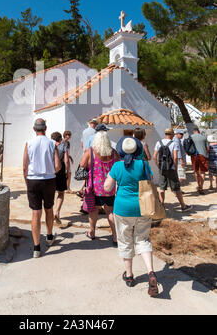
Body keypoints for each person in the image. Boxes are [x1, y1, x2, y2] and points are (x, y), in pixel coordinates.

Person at [104, 136, 159, 297]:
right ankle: (151, 272)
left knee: (125, 240)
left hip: (122, 209)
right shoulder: (143, 165)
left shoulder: (117, 166)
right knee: (143, 239)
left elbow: (107, 188)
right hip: (142, 207)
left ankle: (129, 275)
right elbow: (150, 182)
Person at [23, 119, 61, 258]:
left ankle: (36, 248)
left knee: (35, 213)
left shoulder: (29, 143)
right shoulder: (52, 143)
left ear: (34, 129)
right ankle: (50, 237)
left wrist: (27, 182)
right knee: (49, 209)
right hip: (48, 180)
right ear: (46, 128)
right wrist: (51, 170)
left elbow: (25, 166)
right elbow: (57, 165)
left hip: (33, 180)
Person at [79, 127, 118, 245]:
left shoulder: (91, 151)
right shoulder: (113, 152)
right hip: (109, 187)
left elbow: (82, 164)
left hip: (95, 187)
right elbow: (118, 164)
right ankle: (115, 235)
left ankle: (92, 232)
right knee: (110, 212)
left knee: (93, 210)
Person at [153, 128, 192, 212]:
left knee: (162, 188)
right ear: (171, 134)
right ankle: (183, 206)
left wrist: (158, 166)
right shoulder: (174, 143)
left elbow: (154, 156)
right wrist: (175, 168)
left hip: (162, 168)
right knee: (176, 187)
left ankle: (162, 206)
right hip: (171, 168)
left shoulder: (158, 142)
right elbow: (175, 157)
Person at [51, 131, 69, 225]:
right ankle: (57, 211)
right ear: (60, 138)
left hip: (50, 170)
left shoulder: (49, 145)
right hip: (61, 169)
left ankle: (49, 213)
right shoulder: (63, 145)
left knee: (50, 193)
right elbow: (66, 160)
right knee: (61, 192)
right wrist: (67, 171)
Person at [191, 127, 209, 194]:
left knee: (196, 171)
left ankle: (198, 185)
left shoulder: (191, 137)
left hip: (194, 156)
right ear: (199, 131)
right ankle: (201, 187)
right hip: (203, 156)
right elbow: (208, 148)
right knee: (202, 172)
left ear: (194, 131)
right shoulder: (204, 137)